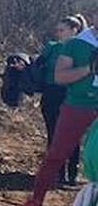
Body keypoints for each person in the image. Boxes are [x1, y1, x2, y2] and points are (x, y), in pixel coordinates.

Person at [20, 16, 98, 206]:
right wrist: (89, 69)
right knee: (56, 154)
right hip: (79, 105)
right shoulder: (76, 44)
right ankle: (36, 201)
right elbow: (60, 77)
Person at [34, 15, 88, 189]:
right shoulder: (52, 47)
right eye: (57, 30)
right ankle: (57, 174)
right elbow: (35, 64)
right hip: (52, 95)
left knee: (73, 136)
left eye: (62, 30)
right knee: (54, 135)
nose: (58, 33)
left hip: (73, 95)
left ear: (74, 31)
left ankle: (71, 175)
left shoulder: (83, 49)